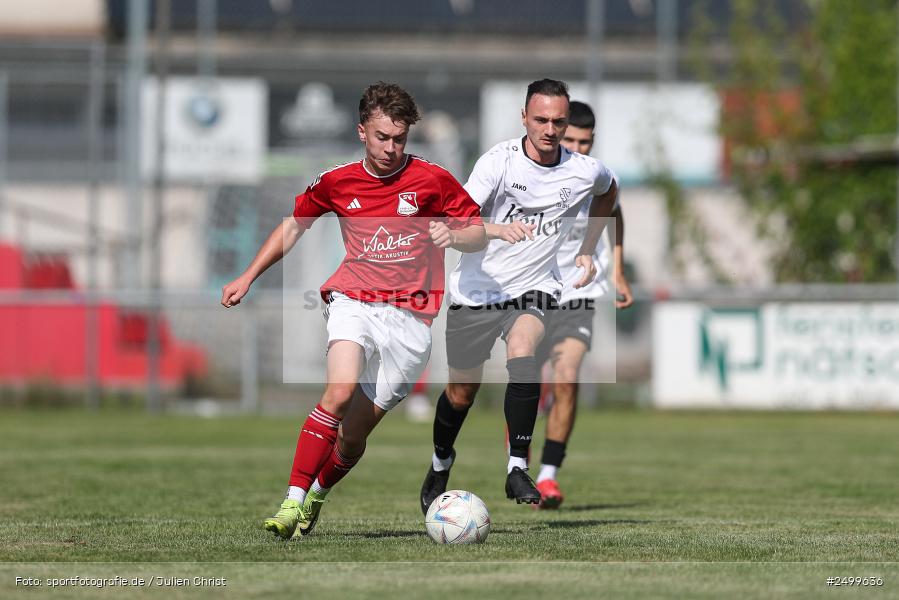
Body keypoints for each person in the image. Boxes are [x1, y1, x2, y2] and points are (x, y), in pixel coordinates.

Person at [221, 82, 486, 539]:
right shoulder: (336, 181)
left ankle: (318, 494)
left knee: (354, 435)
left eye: (400, 139)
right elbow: (292, 228)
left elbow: (477, 231)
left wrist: (454, 236)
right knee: (339, 393)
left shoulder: (432, 180)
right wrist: (249, 275)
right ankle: (291, 501)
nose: (391, 148)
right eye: (383, 137)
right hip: (354, 300)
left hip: (413, 319)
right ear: (362, 131)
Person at [419, 79, 619, 514]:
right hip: (478, 290)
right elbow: (461, 230)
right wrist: (494, 229)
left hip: (535, 288)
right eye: (541, 119)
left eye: (558, 121)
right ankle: (440, 462)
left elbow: (609, 192)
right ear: (524, 118)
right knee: (461, 393)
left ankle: (517, 467)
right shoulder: (499, 163)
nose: (550, 129)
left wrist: (587, 248)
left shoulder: (584, 170)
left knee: (524, 351)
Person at [533, 100, 633, 509]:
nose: (577, 146)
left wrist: (618, 271)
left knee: (567, 376)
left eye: (585, 141)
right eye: (570, 138)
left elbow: (616, 212)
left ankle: (548, 476)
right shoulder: (531, 170)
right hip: (532, 289)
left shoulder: (594, 177)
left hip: (577, 291)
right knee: (524, 378)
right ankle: (519, 444)